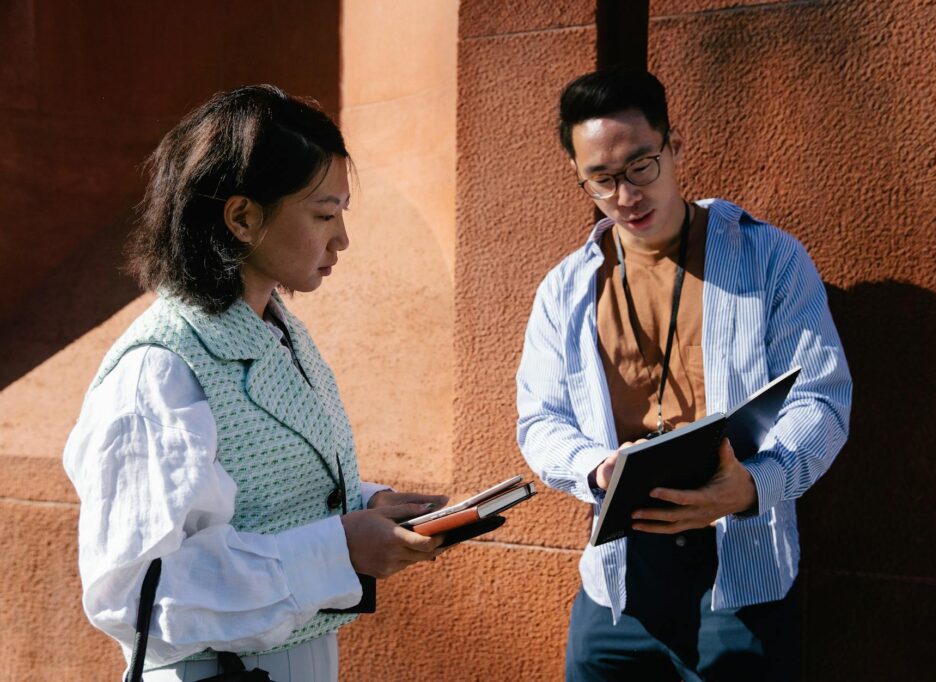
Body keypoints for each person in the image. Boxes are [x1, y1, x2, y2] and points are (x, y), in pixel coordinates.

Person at [63, 84, 448, 681]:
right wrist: (339, 548)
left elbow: (254, 495)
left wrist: (367, 503)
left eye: (342, 213)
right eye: (324, 214)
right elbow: (137, 594)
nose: (341, 239)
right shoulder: (159, 369)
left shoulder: (274, 328)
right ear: (242, 217)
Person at [516, 69, 852, 681]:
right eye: (602, 179)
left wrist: (754, 483)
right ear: (580, 177)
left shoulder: (769, 257)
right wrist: (594, 466)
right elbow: (540, 420)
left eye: (642, 165)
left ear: (675, 147)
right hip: (616, 581)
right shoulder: (565, 289)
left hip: (743, 568)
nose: (625, 195)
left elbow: (822, 399)